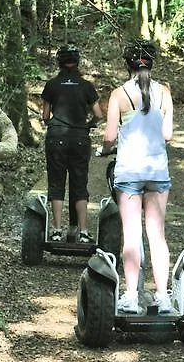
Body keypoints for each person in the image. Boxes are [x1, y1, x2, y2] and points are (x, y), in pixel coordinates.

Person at [102, 39, 174, 314]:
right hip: (157, 172)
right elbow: (167, 135)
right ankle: (163, 298)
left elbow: (109, 137)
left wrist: (105, 148)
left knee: (131, 235)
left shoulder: (118, 94)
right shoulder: (164, 92)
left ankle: (131, 296)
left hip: (129, 172)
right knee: (157, 236)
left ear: (127, 64)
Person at [41, 44, 104, 243]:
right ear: (78, 62)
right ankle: (84, 232)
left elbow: (45, 115)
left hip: (56, 138)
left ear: (59, 62)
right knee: (79, 183)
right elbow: (99, 115)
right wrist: (87, 126)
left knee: (57, 182)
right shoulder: (86, 86)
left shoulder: (51, 85)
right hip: (79, 139)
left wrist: (53, 124)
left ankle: (57, 230)